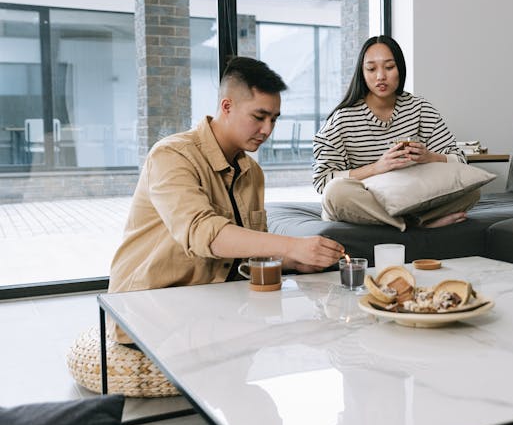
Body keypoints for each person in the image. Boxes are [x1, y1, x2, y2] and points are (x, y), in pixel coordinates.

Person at [108, 57, 344, 343]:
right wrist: (294, 245)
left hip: (211, 304)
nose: (268, 130)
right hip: (148, 311)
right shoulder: (171, 156)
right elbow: (203, 233)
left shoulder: (252, 172)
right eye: (259, 117)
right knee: (280, 334)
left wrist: (294, 262)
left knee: (314, 328)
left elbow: (248, 253)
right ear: (227, 107)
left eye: (274, 119)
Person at [313, 35, 479, 231]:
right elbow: (323, 180)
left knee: (471, 191)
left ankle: (404, 221)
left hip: (411, 198)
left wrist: (429, 157)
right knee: (336, 193)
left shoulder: (420, 109)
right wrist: (378, 168)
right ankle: (417, 224)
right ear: (362, 73)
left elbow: (459, 160)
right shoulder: (342, 119)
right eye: (371, 69)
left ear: (400, 69)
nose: (380, 76)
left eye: (389, 67)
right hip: (367, 200)